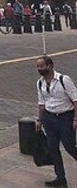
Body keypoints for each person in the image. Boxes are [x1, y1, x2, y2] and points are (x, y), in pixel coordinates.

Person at [35, 55, 77, 187]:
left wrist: (75, 119)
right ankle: (60, 178)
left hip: (65, 117)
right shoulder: (40, 83)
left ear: (50, 66)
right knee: (52, 148)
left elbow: (75, 100)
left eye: (42, 66)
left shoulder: (64, 80)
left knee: (70, 147)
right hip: (49, 118)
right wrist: (39, 120)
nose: (39, 69)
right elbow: (41, 103)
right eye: (38, 67)